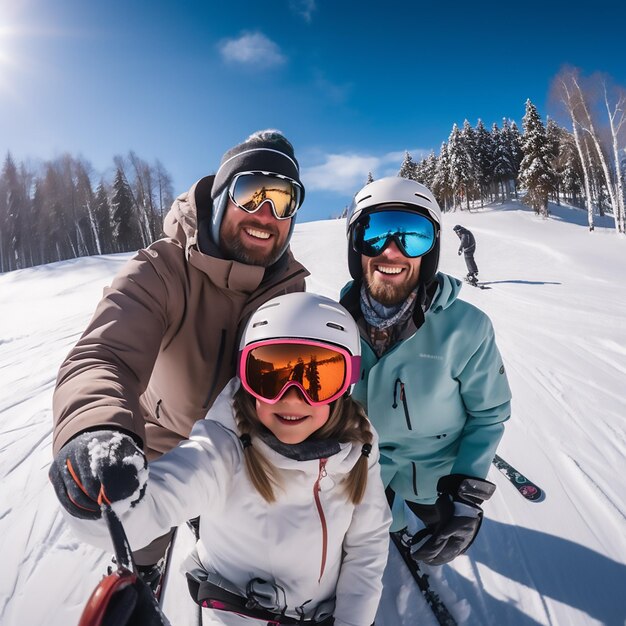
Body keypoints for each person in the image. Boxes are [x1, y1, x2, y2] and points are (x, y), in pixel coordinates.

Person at [49, 130, 309, 585]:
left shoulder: (289, 290)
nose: (266, 214)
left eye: (284, 200)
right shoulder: (162, 269)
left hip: (242, 449)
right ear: (223, 195)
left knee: (257, 556)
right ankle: (141, 575)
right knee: (141, 539)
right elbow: (104, 353)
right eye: (252, 194)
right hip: (160, 441)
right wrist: (96, 426)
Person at [54, 292, 392, 626]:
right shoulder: (223, 450)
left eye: (317, 379)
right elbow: (158, 501)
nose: (292, 397)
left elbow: (367, 544)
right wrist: (100, 499)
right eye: (269, 376)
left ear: (347, 383)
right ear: (245, 380)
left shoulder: (359, 447)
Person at [340, 176, 512, 566]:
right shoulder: (333, 327)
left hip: (436, 476)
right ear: (356, 247)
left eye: (412, 237)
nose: (392, 251)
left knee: (434, 522)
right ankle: (392, 525)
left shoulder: (467, 328)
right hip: (361, 475)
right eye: (375, 235)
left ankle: (414, 520)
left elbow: (489, 414)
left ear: (430, 250)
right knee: (368, 527)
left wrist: (465, 498)